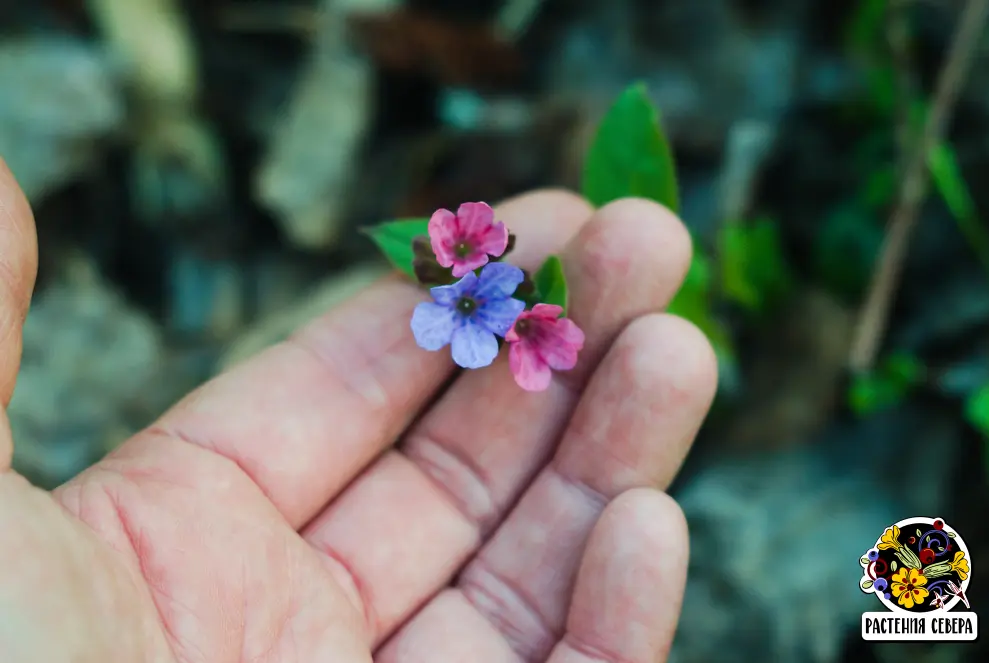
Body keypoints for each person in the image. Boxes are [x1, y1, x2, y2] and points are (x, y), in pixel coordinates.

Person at [0, 159, 717, 662]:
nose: (463, 267)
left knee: (635, 297)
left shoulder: (502, 302)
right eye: (458, 253)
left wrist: (520, 318)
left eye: (467, 259)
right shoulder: (458, 288)